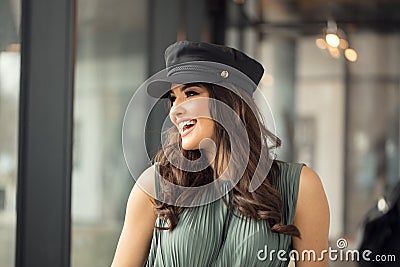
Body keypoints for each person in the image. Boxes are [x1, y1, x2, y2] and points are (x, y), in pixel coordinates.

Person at [112, 41, 330, 267]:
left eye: (191, 93)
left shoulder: (300, 186)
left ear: (228, 99)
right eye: (173, 98)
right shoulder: (155, 185)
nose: (176, 109)